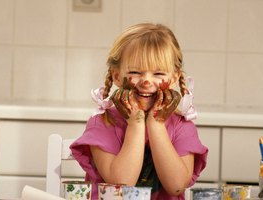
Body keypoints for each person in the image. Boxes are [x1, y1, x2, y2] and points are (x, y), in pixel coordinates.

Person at [70, 23, 208, 200]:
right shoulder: (103, 122)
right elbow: (121, 184)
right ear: (117, 76)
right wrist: (135, 123)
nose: (146, 81)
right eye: (135, 72)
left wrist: (156, 124)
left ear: (174, 78)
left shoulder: (182, 125)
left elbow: (176, 186)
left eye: (158, 73)